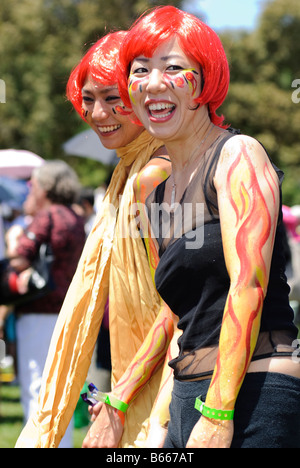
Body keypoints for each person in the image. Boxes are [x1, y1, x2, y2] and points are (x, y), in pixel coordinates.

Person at [110, 6, 300, 448]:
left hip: (253, 396)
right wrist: (156, 417)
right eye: (141, 70)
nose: (154, 83)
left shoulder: (237, 156)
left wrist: (217, 413)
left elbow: (247, 287)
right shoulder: (154, 194)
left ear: (205, 79)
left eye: (173, 67)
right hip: (187, 396)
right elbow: (179, 315)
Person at [16, 31, 172, 448]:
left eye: (112, 97)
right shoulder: (127, 173)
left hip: (167, 398)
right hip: (136, 386)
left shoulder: (155, 173)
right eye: (88, 99)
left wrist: (121, 399)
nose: (98, 113)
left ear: (141, 95)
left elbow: (182, 304)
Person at [10, 160, 85, 447]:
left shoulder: (47, 216)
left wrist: (14, 236)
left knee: (35, 386)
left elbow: (20, 256)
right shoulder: (75, 217)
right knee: (57, 388)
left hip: (38, 310)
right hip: (66, 311)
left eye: (35, 184)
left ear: (46, 187)